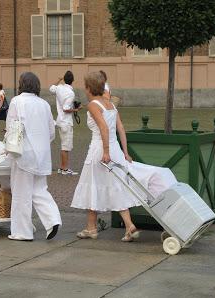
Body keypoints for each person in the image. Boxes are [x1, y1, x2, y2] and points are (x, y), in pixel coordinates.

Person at [71, 72, 177, 242]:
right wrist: (125, 152)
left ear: (89, 88)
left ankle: (97, 228)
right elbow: (121, 129)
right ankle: (123, 226)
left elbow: (104, 129)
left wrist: (105, 152)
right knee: (118, 185)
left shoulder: (93, 105)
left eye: (85, 86)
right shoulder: (111, 105)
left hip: (101, 149)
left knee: (93, 186)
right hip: (116, 150)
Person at [6, 72, 62, 241]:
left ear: (21, 85)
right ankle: (53, 220)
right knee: (39, 190)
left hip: (23, 153)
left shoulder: (17, 101)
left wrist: (8, 146)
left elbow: (11, 127)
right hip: (43, 154)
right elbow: (52, 131)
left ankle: (22, 232)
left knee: (21, 193)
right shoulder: (44, 104)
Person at [49, 71, 81, 175]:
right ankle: (64, 169)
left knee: (64, 146)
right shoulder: (71, 93)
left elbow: (51, 88)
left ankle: (62, 168)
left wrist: (59, 80)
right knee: (65, 147)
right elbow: (66, 108)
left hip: (60, 120)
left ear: (64, 79)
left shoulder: (59, 88)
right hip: (66, 122)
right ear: (72, 80)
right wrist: (76, 110)